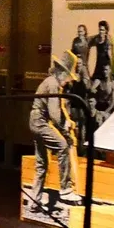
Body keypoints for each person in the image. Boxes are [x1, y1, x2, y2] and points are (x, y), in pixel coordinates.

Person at [29, 50, 81, 212]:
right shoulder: (52, 83)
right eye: (68, 76)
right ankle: (65, 189)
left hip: (36, 121)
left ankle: (35, 200)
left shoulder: (54, 84)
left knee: (42, 163)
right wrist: (65, 130)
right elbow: (55, 113)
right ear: (62, 72)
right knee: (63, 146)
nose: (68, 80)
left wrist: (68, 122)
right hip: (40, 122)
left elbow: (60, 108)